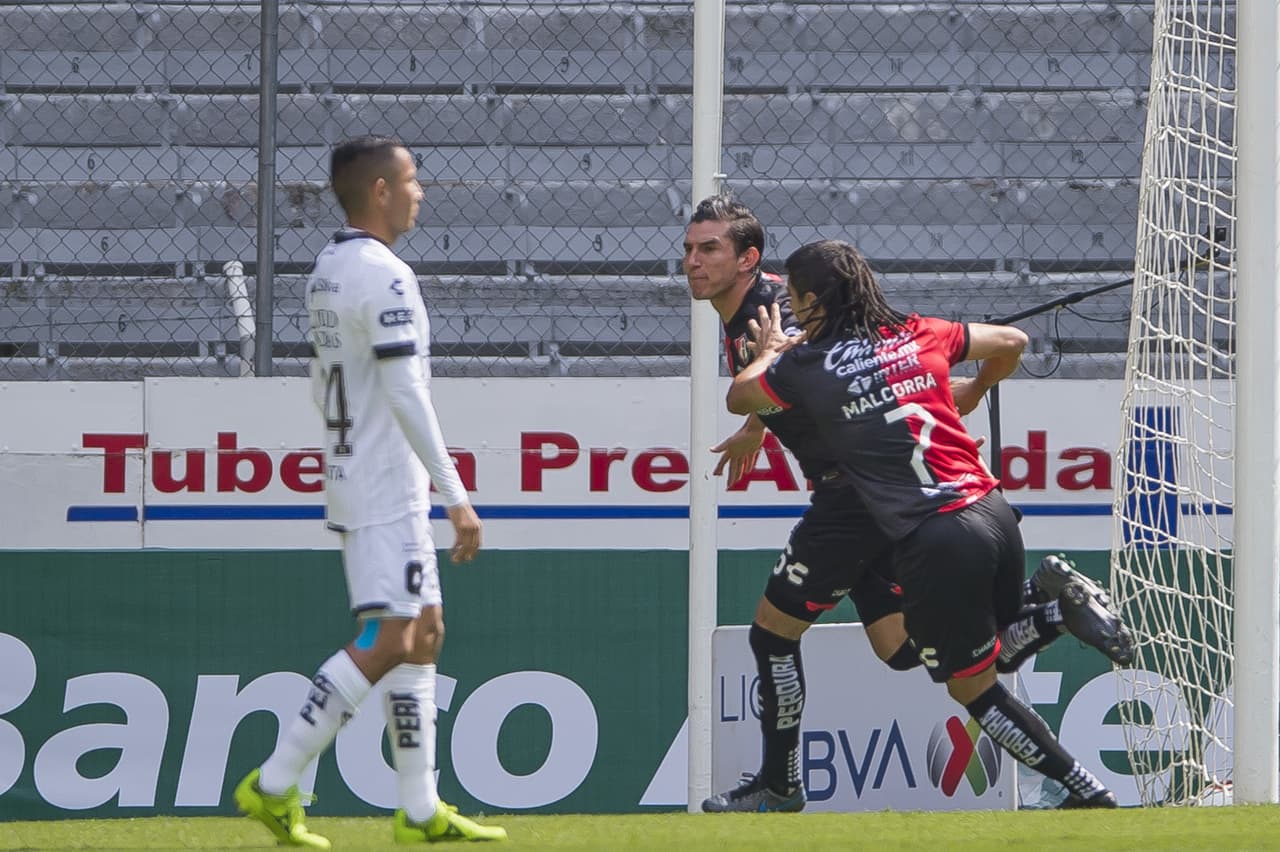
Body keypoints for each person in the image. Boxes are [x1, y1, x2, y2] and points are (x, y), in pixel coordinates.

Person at [726, 238, 1132, 809]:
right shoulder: (917, 331)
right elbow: (1013, 342)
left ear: (813, 300)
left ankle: (1084, 790)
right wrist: (975, 387)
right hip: (992, 512)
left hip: (935, 534)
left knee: (973, 687)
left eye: (793, 299)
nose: (789, 310)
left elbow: (740, 396)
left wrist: (768, 349)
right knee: (975, 650)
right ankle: (1049, 615)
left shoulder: (806, 363)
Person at [233, 136, 507, 847]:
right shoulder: (385, 276)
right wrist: (457, 495)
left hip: (368, 472)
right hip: (387, 483)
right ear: (380, 191)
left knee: (425, 634)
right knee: (390, 637)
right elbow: (405, 390)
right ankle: (273, 780)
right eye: (412, 179)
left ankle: (418, 810)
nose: (421, 191)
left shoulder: (329, 267)